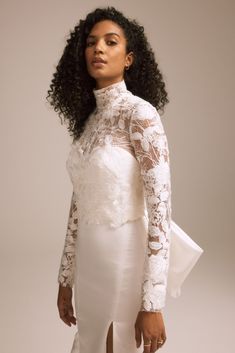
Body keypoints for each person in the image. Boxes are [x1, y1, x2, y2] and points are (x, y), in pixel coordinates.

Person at [46, 6, 172, 353]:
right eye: (91, 43)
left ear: (129, 58)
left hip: (125, 257)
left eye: (110, 42)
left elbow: (160, 210)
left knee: (116, 343)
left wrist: (152, 302)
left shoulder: (140, 114)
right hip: (90, 260)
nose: (98, 49)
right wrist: (66, 278)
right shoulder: (88, 125)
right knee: (89, 343)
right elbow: (78, 204)